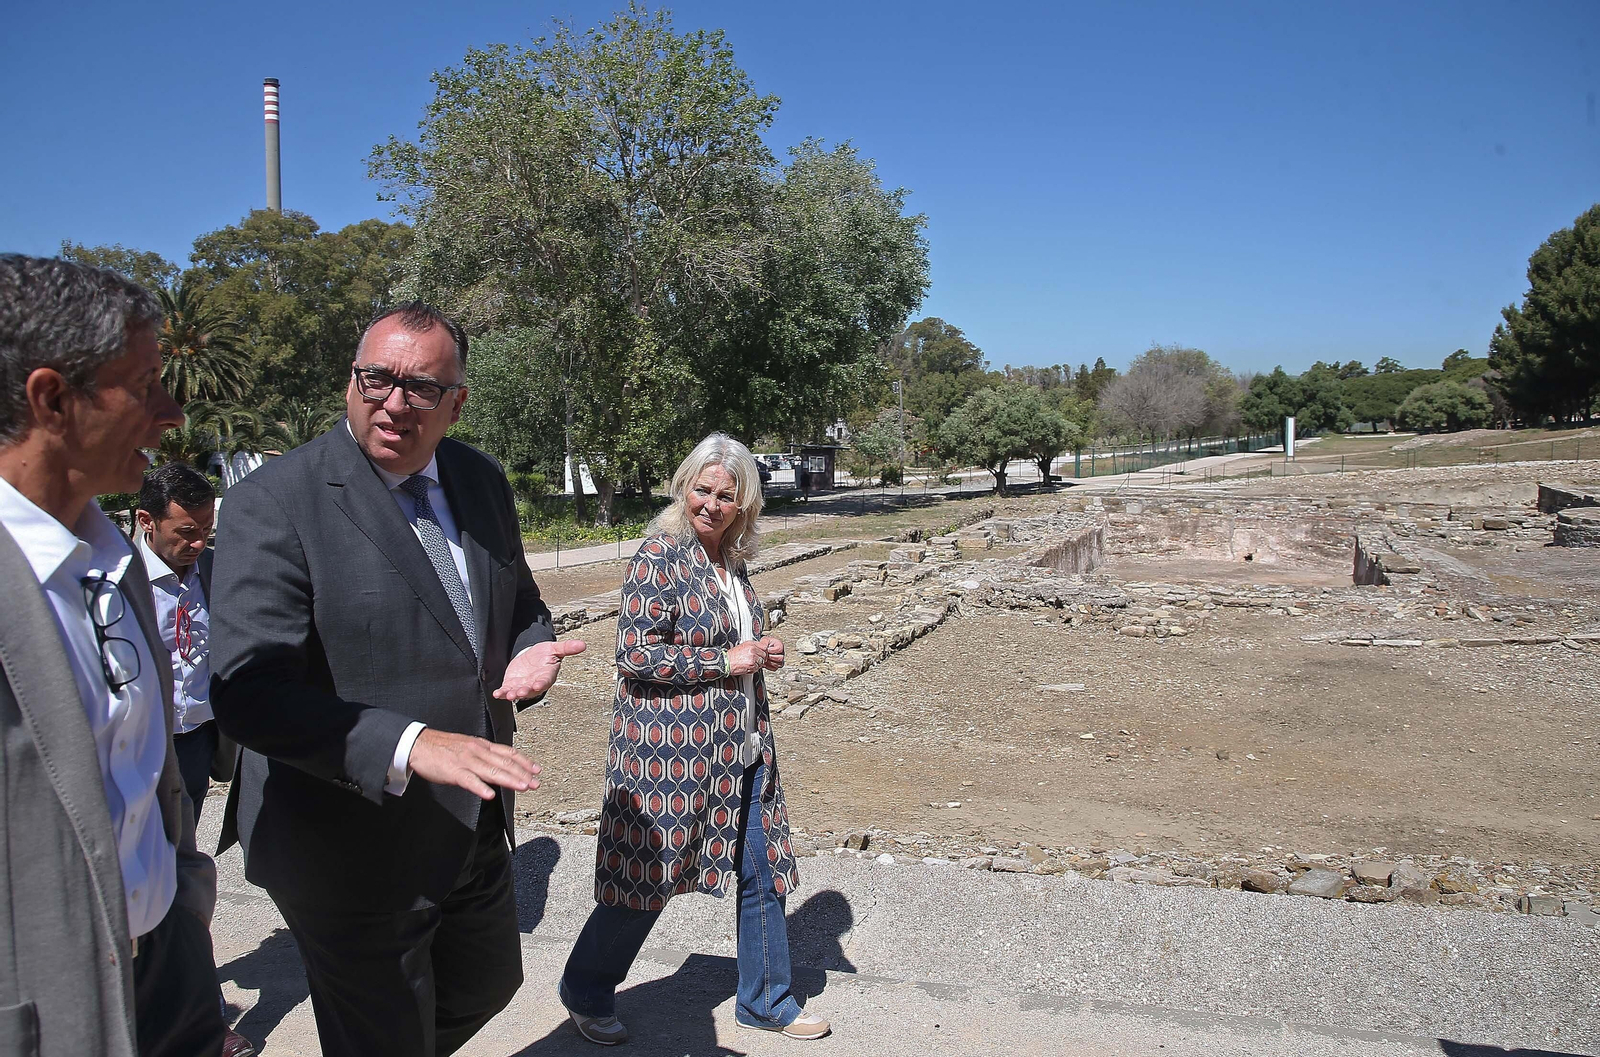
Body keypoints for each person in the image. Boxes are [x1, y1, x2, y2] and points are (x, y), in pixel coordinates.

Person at [209, 301, 586, 1057]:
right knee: (384, 1033)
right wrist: (409, 744)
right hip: (344, 840)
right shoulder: (277, 500)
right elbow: (248, 690)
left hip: (468, 823)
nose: (392, 401)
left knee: (487, 984)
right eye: (375, 378)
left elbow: (521, 605)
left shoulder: (481, 482)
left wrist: (532, 649)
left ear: (457, 402)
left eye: (419, 387)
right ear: (351, 380)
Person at [0, 254, 225, 1057]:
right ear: (52, 398)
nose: (169, 413)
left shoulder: (112, 566)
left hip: (171, 970)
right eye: (146, 383)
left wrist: (187, 893)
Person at [558, 432, 829, 1046]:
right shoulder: (660, 556)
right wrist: (728, 660)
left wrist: (761, 653)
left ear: (744, 505)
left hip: (744, 744)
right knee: (646, 876)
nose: (708, 504)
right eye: (700, 490)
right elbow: (635, 655)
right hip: (666, 752)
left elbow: (734, 646)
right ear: (682, 489)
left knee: (766, 872)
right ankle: (586, 988)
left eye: (724, 495)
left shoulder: (731, 564)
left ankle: (765, 1000)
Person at [134, 462, 256, 1057]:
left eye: (206, 528)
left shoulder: (210, 568)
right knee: (176, 878)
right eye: (185, 531)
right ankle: (200, 1015)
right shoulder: (116, 583)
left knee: (180, 874)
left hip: (197, 743)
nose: (198, 541)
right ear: (145, 523)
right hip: (143, 753)